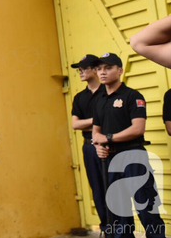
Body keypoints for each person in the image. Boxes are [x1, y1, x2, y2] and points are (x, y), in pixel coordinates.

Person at [92, 53, 165, 238]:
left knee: (146, 206)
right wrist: (98, 145)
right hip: (109, 159)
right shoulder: (100, 100)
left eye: (108, 68)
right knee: (118, 212)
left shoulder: (132, 96)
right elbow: (95, 132)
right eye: (99, 68)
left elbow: (138, 129)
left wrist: (107, 138)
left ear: (120, 70)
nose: (102, 72)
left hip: (133, 156)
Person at [69, 54, 108, 233]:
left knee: (114, 187)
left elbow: (113, 120)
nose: (81, 72)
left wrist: (91, 121)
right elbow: (75, 124)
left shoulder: (108, 92)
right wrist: (98, 119)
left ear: (95, 69)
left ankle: (123, 230)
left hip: (109, 146)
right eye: (79, 70)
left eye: (84, 68)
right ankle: (107, 229)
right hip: (88, 146)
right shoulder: (79, 98)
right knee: (98, 190)